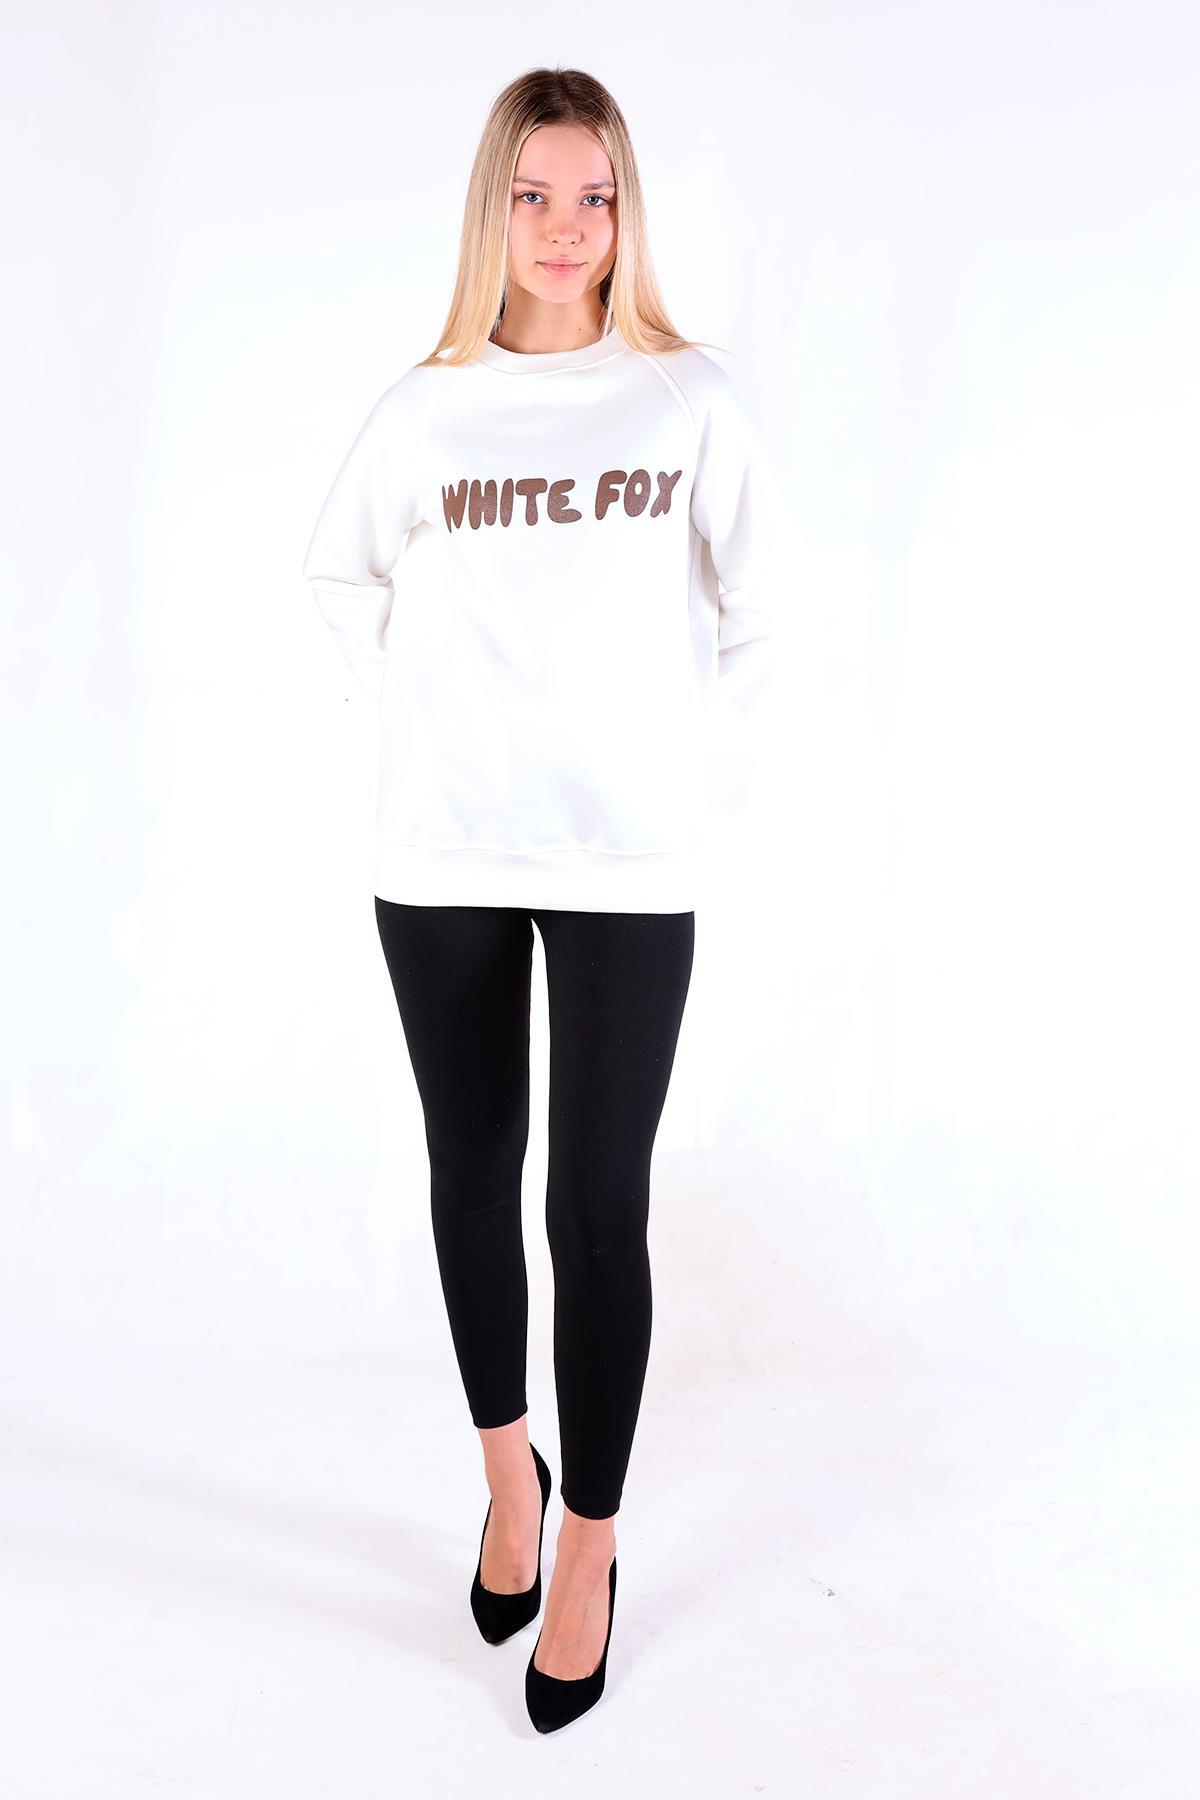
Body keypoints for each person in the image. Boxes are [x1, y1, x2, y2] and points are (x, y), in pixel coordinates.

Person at [301, 64, 774, 1732]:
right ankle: (511, 1473)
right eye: (534, 194)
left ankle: (589, 1546)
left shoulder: (688, 398)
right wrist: (439, 722)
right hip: (440, 858)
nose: (566, 228)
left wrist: (662, 752)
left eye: (594, 197)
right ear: (491, 207)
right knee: (470, 1172)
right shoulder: (426, 411)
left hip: (630, 864)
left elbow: (758, 610)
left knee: (597, 1204)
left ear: (625, 213)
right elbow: (338, 575)